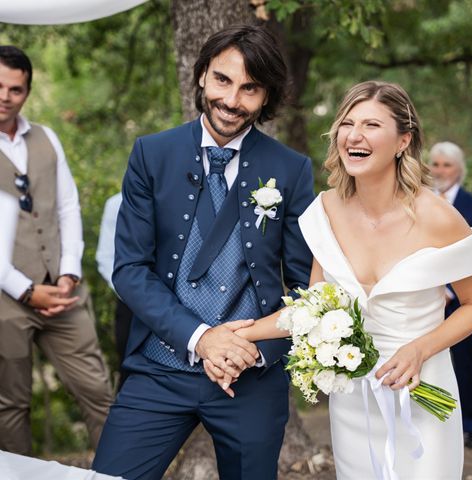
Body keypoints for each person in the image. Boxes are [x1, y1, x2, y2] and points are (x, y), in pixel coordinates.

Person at [229, 81, 472, 478]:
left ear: (404, 140)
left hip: (421, 393)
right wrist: (242, 334)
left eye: (371, 124)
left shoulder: (438, 217)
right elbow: (312, 306)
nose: (354, 134)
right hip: (352, 397)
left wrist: (420, 349)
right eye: (347, 123)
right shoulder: (326, 211)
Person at [91, 25, 315, 480]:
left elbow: (306, 286)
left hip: (251, 374)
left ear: (266, 96)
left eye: (249, 88)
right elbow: (130, 270)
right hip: (161, 366)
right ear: (201, 77)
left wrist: (255, 350)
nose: (232, 100)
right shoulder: (151, 155)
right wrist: (201, 338)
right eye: (222, 80)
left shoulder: (291, 170)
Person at [0, 45, 112, 455]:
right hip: (5, 299)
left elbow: (67, 207)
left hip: (62, 292)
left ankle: (114, 472)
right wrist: (26, 291)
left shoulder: (46, 137)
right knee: (10, 405)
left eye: (14, 88)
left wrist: (68, 274)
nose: (4, 96)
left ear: (26, 92)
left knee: (98, 393)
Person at [429, 141, 472, 449]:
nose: (439, 171)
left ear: (459, 170)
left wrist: (450, 291)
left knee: (464, 362)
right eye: (435, 164)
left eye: (446, 165)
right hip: (424, 297)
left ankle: (471, 425)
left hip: (461, 300)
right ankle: (436, 422)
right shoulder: (419, 201)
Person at [96, 191, 133, 391]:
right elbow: (105, 258)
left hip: (179, 303)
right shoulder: (116, 204)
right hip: (130, 305)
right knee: (128, 368)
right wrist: (135, 293)